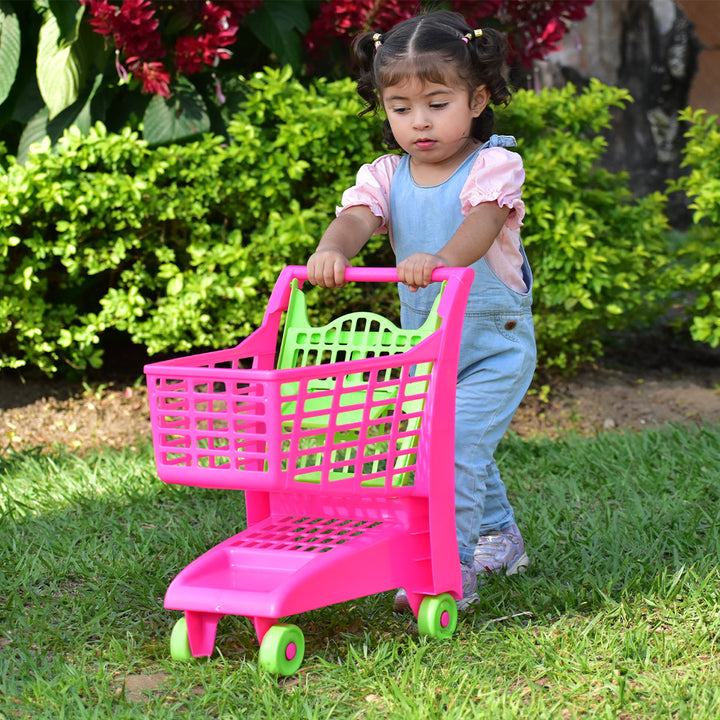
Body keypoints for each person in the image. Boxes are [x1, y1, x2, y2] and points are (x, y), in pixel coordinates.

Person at [306, 10, 536, 610]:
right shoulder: (385, 174)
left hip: (494, 347)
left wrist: (441, 258)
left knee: (450, 446)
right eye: (401, 108)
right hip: (427, 347)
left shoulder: (494, 164)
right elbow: (357, 218)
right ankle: (500, 535)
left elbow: (483, 223)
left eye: (437, 103)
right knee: (448, 442)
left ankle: (449, 570)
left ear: (477, 97)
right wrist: (333, 249)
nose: (419, 122)